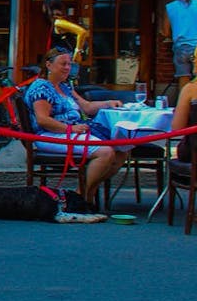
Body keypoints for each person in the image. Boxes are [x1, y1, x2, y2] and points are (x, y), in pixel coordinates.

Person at [24, 47, 126, 205]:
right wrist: (70, 129)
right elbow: (43, 120)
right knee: (105, 152)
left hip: (73, 132)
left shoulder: (64, 86)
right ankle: (83, 197)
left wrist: (108, 103)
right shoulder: (41, 88)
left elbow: (86, 107)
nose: (67, 68)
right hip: (49, 135)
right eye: (63, 64)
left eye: (69, 64)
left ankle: (85, 191)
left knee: (122, 151)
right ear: (49, 65)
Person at [171, 38, 197, 222]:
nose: (193, 61)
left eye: (196, 57)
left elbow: (177, 129)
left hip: (196, 153)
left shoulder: (191, 89)